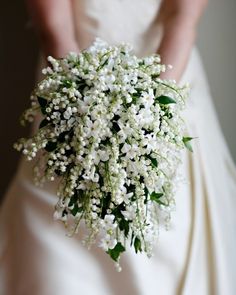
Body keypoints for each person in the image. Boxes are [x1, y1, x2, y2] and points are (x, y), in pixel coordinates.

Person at [1, 0, 236, 294]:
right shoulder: (76, 94)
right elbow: (55, 31)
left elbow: (183, 19)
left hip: (171, 69)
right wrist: (84, 111)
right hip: (74, 83)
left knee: (173, 237)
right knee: (55, 262)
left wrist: (149, 111)